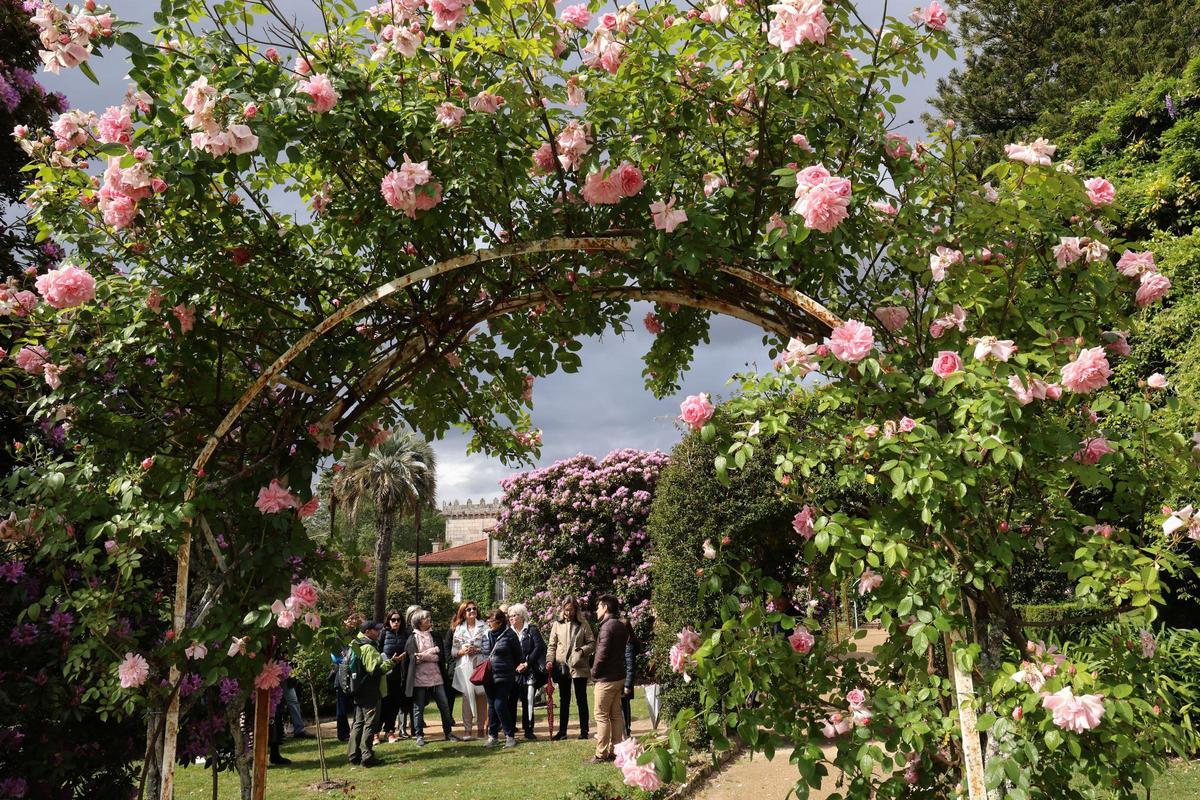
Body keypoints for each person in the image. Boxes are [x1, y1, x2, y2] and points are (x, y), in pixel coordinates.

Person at [347, 620, 402, 767]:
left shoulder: (354, 644)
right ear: (367, 632)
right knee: (370, 724)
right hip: (370, 691)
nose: (379, 633)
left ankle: (353, 755)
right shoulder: (369, 648)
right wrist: (392, 662)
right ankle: (367, 756)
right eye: (376, 630)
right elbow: (375, 670)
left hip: (358, 689)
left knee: (358, 723)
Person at [404, 609, 461, 746]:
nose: (429, 619)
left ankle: (448, 733)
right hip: (419, 678)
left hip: (437, 677)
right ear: (418, 622)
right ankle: (419, 735)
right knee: (418, 709)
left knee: (444, 706)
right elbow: (413, 659)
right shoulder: (412, 638)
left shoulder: (435, 636)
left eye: (429, 617)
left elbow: (439, 657)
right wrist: (430, 653)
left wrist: (423, 655)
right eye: (426, 618)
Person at [588, 595, 630, 764]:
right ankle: (616, 750)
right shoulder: (621, 625)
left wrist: (594, 673)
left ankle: (601, 753)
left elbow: (602, 654)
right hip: (618, 676)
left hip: (606, 679)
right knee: (615, 715)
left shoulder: (607, 627)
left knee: (601, 716)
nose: (597, 610)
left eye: (599, 607)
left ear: (605, 608)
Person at [546, 596, 594, 741]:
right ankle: (562, 732)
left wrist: (581, 651)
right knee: (564, 699)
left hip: (579, 667)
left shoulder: (583, 624)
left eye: (571, 609)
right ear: (562, 609)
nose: (568, 613)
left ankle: (584, 731)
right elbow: (552, 645)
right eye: (565, 610)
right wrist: (549, 660)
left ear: (576, 609)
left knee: (581, 699)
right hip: (562, 667)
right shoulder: (557, 624)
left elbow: (592, 643)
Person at [481, 607, 522, 748]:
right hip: (489, 677)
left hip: (505, 676)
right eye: (488, 620)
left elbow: (519, 656)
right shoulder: (485, 635)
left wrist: (507, 666)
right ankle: (492, 736)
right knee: (492, 706)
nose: (488, 623)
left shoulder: (510, 635)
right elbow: (484, 654)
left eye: (491, 621)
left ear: (499, 622)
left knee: (500, 704)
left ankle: (509, 736)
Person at [451, 600, 489, 740]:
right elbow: (453, 651)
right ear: (463, 613)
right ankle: (467, 730)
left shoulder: (484, 626)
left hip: (480, 664)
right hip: (465, 664)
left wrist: (477, 649)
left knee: (481, 696)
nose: (472, 611)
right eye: (469, 610)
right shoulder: (459, 629)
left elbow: (489, 647)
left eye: (474, 609)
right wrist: (462, 651)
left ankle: (480, 729)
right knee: (467, 697)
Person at [508, 603, 546, 740]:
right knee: (511, 700)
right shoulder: (508, 632)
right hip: (514, 672)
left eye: (514, 615)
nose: (511, 618)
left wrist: (527, 663)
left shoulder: (531, 630)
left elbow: (539, 647)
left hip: (529, 670)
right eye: (510, 616)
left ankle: (529, 729)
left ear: (522, 616)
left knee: (528, 698)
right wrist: (515, 666)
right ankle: (510, 730)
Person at [377, 609, 410, 743]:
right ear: (389, 621)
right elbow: (378, 651)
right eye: (393, 620)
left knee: (395, 705)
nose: (396, 622)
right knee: (384, 704)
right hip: (386, 675)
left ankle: (389, 731)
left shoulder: (405, 634)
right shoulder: (384, 633)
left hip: (400, 675)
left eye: (398, 620)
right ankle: (375, 732)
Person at [330, 646, 352, 742]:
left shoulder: (352, 641)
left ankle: (351, 733)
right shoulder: (336, 641)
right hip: (341, 680)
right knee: (341, 709)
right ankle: (343, 734)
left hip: (352, 679)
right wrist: (346, 658)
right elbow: (335, 658)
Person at [622, 620, 638, 739]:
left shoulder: (628, 645)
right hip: (621, 679)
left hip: (625, 681)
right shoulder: (622, 643)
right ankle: (624, 729)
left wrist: (627, 685)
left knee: (625, 705)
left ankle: (626, 729)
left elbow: (630, 667)